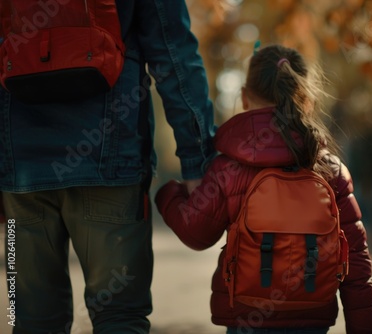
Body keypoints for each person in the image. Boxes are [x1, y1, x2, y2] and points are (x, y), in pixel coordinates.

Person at [0, 1, 216, 333]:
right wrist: (195, 160)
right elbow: (174, 54)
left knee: (29, 319)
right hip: (110, 160)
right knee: (119, 315)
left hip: (19, 169)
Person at [155, 44, 372, 333]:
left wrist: (168, 194)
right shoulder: (330, 170)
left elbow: (195, 232)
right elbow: (357, 265)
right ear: (307, 100)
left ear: (245, 98)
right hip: (312, 314)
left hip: (246, 315)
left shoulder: (229, 168)